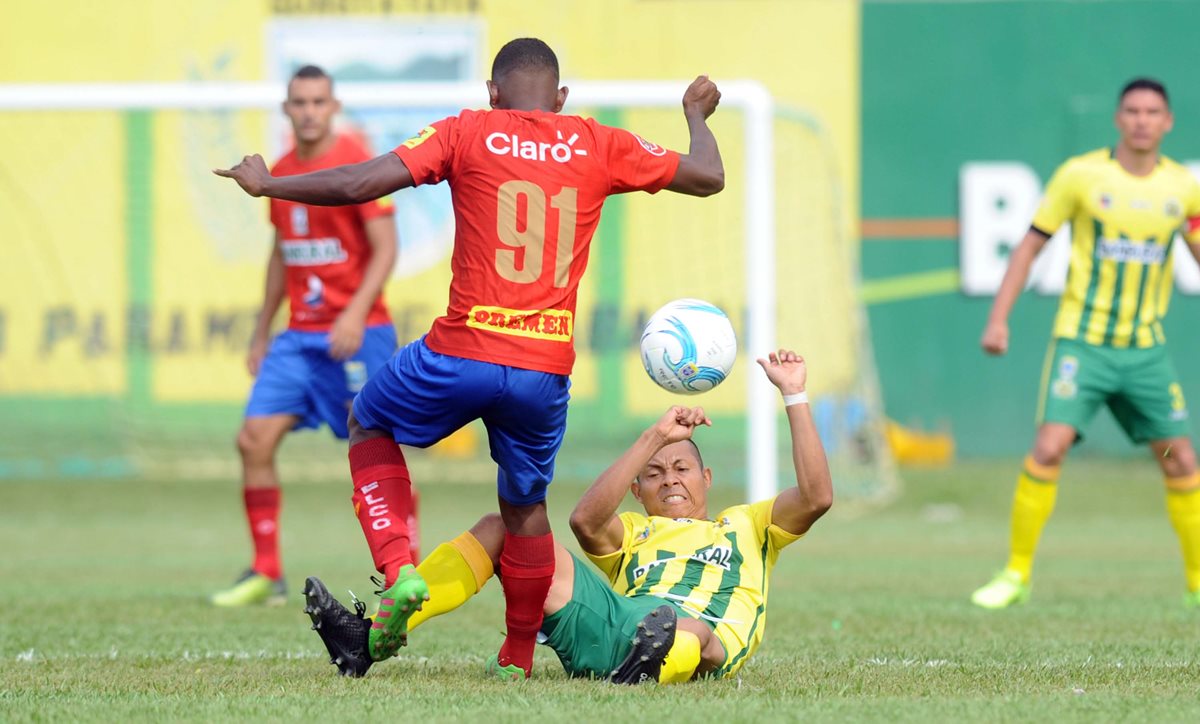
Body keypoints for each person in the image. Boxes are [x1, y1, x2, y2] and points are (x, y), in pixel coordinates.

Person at [215, 38, 725, 675]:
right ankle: (515, 658)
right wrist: (697, 115)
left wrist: (269, 185)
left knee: (368, 421)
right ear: (561, 99)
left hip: (462, 350)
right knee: (525, 509)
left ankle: (400, 570)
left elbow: (361, 182)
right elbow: (709, 178)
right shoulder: (598, 142)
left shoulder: (467, 131)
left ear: (492, 94)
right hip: (543, 370)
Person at [303, 349, 832, 683]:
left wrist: (795, 394)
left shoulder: (749, 524)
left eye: (681, 468)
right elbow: (583, 522)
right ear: (637, 490)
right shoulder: (631, 530)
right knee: (500, 530)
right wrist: (654, 435)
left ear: (707, 478)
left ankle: (648, 669)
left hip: (700, 641)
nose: (670, 478)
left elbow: (816, 496)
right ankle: (368, 638)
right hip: (612, 623)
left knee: (689, 629)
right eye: (654, 473)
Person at [971, 77, 1200, 609]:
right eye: (1133, 111)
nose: (1142, 120)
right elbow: (1028, 248)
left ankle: (1195, 582)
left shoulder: (1183, 188)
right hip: (1083, 345)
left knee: (1182, 461)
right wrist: (998, 319)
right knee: (1048, 447)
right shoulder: (1081, 175)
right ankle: (1016, 575)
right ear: (1119, 119)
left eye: (1153, 112)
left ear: (1167, 122)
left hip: (1145, 351)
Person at [211, 65, 417, 607]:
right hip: (300, 338)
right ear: (287, 109)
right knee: (252, 440)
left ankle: (405, 570)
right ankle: (266, 571)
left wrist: (353, 313)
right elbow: (282, 255)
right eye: (298, 102)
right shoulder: (279, 173)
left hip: (359, 332)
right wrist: (261, 329)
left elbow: (386, 247)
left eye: (317, 101)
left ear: (333, 106)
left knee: (377, 445)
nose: (308, 111)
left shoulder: (356, 159)